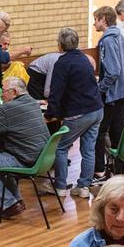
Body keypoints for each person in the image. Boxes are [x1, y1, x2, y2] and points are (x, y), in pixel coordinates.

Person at [0, 77, 50, 218]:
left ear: (13, 92)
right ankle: (16, 201)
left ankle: (9, 204)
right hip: (44, 158)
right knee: (1, 156)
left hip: (26, 159)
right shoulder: (33, 103)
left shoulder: (7, 108)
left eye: (3, 91)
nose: (1, 95)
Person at [43, 27, 103, 199]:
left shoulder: (62, 63)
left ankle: (60, 186)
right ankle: (83, 187)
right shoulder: (84, 58)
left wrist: (50, 113)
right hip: (97, 109)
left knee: (61, 147)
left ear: (60, 44)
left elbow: (56, 92)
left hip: (79, 113)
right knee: (89, 149)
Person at [91, 6, 124, 186]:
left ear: (104, 20)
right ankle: (119, 170)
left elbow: (113, 71)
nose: (94, 24)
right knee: (118, 133)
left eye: (96, 20)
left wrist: (101, 87)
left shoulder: (106, 41)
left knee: (99, 134)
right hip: (123, 92)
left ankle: (99, 173)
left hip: (112, 95)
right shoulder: (121, 36)